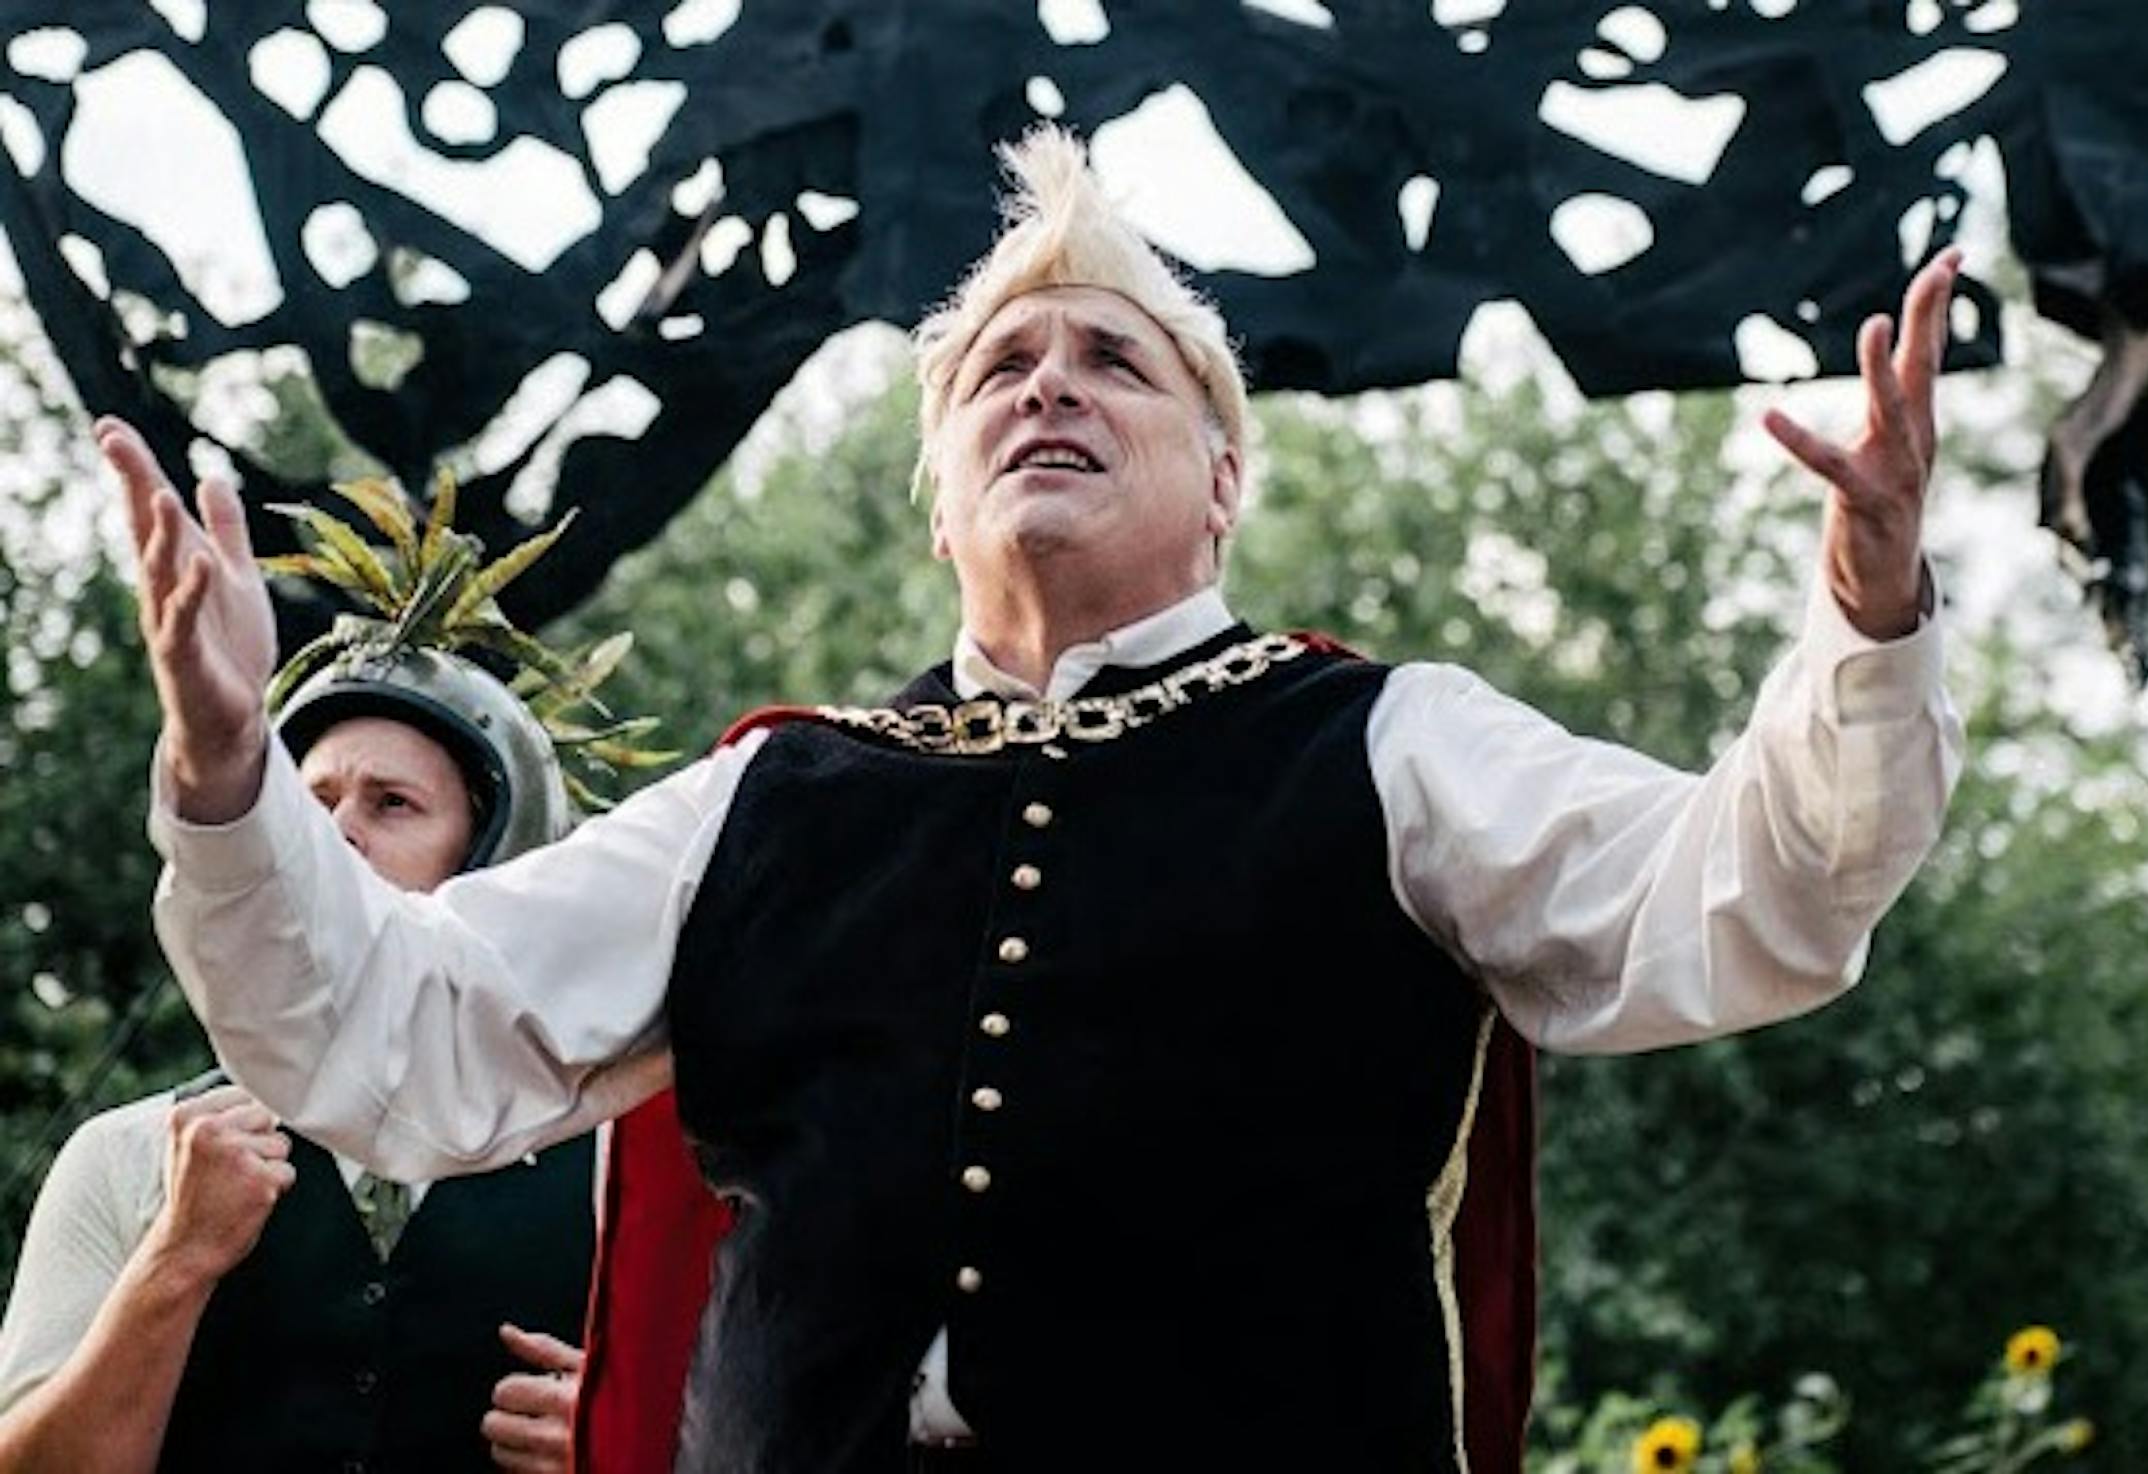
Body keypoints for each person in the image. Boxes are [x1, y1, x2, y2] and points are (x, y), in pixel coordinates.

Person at [108, 126, 1964, 1473]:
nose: (1047, 388)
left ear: (1222, 478)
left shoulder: (1391, 742)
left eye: (1112, 362)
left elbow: (1753, 897)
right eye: (1002, 366)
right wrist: (221, 762)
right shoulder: (772, 793)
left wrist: (1866, 612)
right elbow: (393, 1030)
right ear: (940, 499)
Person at [0, 645, 602, 1473]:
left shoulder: (623, 1174)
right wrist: (175, 1262)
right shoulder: (127, 1157)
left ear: (493, 860)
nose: (336, 834)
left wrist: (633, 1445)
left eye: (391, 804)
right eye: (311, 805)